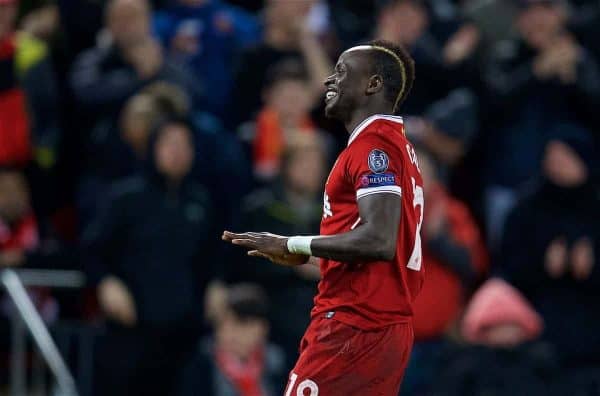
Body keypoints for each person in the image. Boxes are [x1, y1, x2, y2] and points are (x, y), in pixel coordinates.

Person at [223, 39, 422, 395]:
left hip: (355, 324)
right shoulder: (397, 146)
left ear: (372, 84)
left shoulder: (373, 147)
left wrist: (292, 241)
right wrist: (304, 256)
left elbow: (379, 240)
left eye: (342, 72)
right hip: (383, 327)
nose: (329, 81)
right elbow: (377, 255)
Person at [83, 118, 217, 396]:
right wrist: (106, 282)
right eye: (170, 143)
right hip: (130, 333)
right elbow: (90, 251)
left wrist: (218, 283)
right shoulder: (125, 198)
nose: (177, 151)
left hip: (183, 337)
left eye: (185, 144)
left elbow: (212, 257)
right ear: (153, 148)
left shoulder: (201, 200)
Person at [232, 134, 325, 370]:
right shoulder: (259, 208)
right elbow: (241, 265)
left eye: (316, 164)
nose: (311, 170)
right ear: (286, 166)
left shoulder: (331, 211)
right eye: (304, 163)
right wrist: (294, 265)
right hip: (271, 315)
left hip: (318, 316)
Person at [178, 283, 287, 396]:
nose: (229, 334)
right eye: (222, 325)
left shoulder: (277, 363)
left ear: (263, 328)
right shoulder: (201, 368)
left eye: (241, 324)